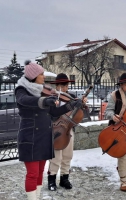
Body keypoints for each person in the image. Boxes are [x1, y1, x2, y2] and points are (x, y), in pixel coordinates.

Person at [14, 61, 82, 200]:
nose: (44, 77)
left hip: (44, 136)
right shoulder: (21, 90)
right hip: (30, 136)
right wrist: (44, 101)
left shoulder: (42, 90)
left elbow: (54, 112)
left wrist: (71, 105)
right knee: (32, 173)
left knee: (39, 172)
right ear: (33, 76)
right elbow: (25, 100)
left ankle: (37, 197)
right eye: (41, 74)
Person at [47, 73, 88, 191]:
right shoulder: (53, 98)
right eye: (63, 86)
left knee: (67, 156)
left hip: (68, 129)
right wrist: (70, 106)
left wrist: (83, 104)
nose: (65, 88)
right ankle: (51, 180)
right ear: (57, 86)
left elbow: (78, 112)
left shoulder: (71, 96)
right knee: (56, 157)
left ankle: (64, 179)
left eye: (66, 86)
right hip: (56, 130)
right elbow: (54, 113)